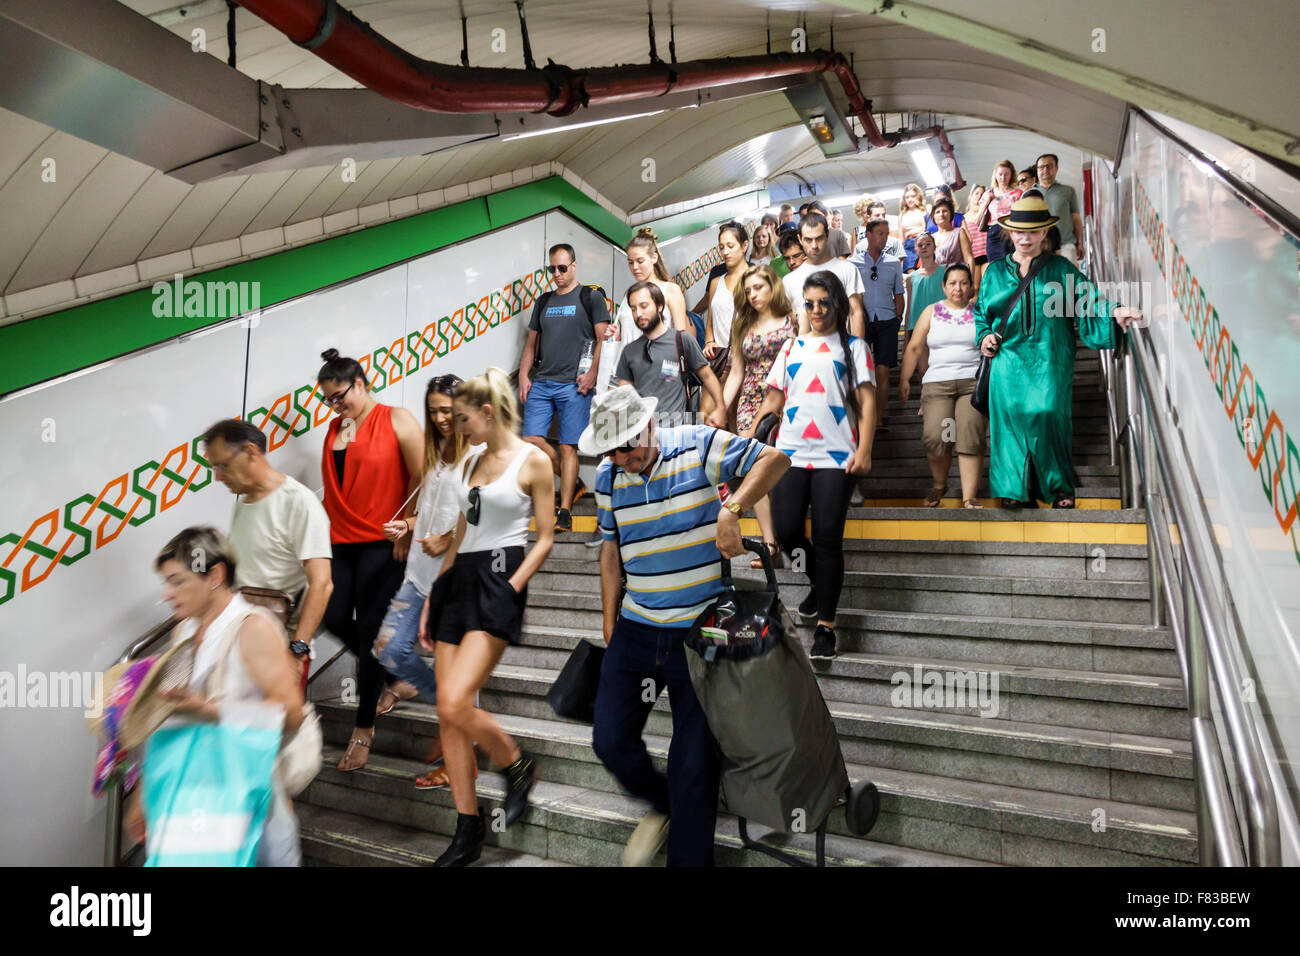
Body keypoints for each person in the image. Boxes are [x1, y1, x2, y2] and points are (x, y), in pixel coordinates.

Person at [586, 385, 790, 866]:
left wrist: (731, 508)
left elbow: (775, 460)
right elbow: (611, 551)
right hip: (637, 627)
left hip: (701, 633)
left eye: (627, 445)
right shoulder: (608, 477)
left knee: (694, 765)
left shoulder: (698, 443)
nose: (620, 457)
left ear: (649, 427)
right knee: (609, 740)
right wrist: (608, 619)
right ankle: (665, 805)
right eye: (610, 449)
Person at [420, 369, 555, 866]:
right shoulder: (469, 460)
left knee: (457, 701)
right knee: (446, 711)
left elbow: (544, 536)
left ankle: (516, 764)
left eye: (462, 419)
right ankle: (467, 828)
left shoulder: (534, 461)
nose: (455, 428)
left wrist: (514, 585)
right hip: (459, 580)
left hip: (501, 576)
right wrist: (437, 591)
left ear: (487, 412)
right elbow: (461, 530)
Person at [125, 527, 307, 866]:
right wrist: (143, 793)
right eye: (166, 583)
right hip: (194, 799)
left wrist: (211, 710)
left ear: (215, 575)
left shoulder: (253, 627)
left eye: (177, 581)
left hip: (250, 800)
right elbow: (169, 711)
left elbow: (292, 714)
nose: (167, 594)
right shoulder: (185, 629)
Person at [975, 196, 1143, 509]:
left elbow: (1088, 301)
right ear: (1010, 233)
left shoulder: (1060, 269)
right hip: (1007, 360)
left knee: (1049, 414)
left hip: (1049, 357)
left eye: (1033, 232)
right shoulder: (994, 272)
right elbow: (982, 313)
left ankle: (1058, 488)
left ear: (1045, 233)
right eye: (1020, 232)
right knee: (1009, 422)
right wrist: (984, 336)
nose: (1025, 238)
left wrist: (1115, 311)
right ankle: (1014, 491)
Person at [752, 271, 877, 660]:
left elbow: (868, 402)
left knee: (826, 538)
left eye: (824, 302)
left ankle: (826, 627)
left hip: (836, 455)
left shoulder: (854, 348)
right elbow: (774, 399)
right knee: (787, 531)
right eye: (810, 304)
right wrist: (752, 439)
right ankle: (819, 584)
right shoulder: (791, 348)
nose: (817, 310)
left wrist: (866, 449)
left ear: (836, 303)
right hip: (790, 452)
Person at [316, 348, 425, 771]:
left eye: (340, 395)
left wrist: (409, 525)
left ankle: (363, 730)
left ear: (360, 383)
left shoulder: (395, 418)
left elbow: (423, 475)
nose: (335, 404)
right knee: (333, 614)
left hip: (384, 540)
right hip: (342, 541)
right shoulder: (334, 430)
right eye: (328, 399)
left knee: (372, 634)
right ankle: (396, 674)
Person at [369, 374, 476, 790]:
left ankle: (459, 757)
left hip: (456, 577)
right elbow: (430, 508)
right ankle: (456, 715)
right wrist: (409, 526)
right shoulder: (436, 450)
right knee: (389, 649)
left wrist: (448, 538)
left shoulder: (479, 454)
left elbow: (482, 519)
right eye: (433, 411)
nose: (440, 418)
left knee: (460, 679)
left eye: (446, 410)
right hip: (417, 573)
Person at [203, 419, 332, 681]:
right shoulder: (243, 503)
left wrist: (297, 651)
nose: (217, 476)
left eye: (222, 465)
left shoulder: (299, 502)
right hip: (241, 642)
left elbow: (322, 583)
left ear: (250, 451)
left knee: (280, 722)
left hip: (282, 649)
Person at [518, 243, 611, 533]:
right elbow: (531, 343)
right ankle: (577, 483)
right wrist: (523, 375)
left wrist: (593, 373)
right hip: (543, 381)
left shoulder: (591, 298)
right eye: (552, 269)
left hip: (575, 384)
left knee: (569, 446)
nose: (556, 274)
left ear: (574, 266)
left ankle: (565, 510)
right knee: (531, 440)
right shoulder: (544, 301)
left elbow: (603, 340)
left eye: (561, 268)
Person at [899, 263, 988, 509]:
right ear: (943, 286)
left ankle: (969, 497)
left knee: (970, 436)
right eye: (952, 283)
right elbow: (915, 346)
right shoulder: (932, 311)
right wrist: (904, 379)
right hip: (937, 384)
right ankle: (940, 485)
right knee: (937, 437)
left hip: (973, 383)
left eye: (963, 283)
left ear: (971, 286)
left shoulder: (980, 311)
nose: (958, 288)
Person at [725, 264, 797, 569]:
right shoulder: (742, 324)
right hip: (750, 402)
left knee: (784, 472)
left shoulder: (792, 319)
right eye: (749, 289)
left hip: (789, 400)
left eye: (759, 287)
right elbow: (736, 373)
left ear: (773, 287)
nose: (753, 294)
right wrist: (719, 408)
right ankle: (770, 544)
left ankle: (791, 538)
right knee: (754, 472)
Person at [616, 280, 726, 429]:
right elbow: (624, 395)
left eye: (644, 306)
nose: (638, 314)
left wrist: (720, 408)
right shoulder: (629, 352)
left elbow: (708, 376)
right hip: (642, 437)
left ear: (660, 307)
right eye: (633, 309)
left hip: (676, 435)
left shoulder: (682, 340)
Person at [849, 219, 906, 431]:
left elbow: (899, 294)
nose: (884, 237)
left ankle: (879, 418)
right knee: (861, 370)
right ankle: (861, 416)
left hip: (887, 320)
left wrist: (898, 318)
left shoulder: (893, 263)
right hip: (861, 322)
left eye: (886, 233)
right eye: (880, 233)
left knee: (883, 371)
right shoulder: (853, 263)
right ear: (869, 235)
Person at [782, 212, 865, 336]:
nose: (814, 246)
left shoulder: (847, 269)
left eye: (819, 238)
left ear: (827, 235)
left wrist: (859, 351)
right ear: (800, 239)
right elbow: (789, 324)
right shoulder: (789, 280)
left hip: (842, 349)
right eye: (808, 240)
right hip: (806, 351)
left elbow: (856, 313)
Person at [701, 221, 750, 394]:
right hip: (718, 359)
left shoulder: (756, 278)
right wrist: (709, 341)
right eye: (722, 247)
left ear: (744, 245)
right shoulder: (716, 282)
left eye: (730, 246)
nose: (725, 252)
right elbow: (710, 320)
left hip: (745, 361)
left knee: (734, 418)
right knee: (706, 415)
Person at [1035, 154, 1084, 264]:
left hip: (1066, 244)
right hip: (1038, 246)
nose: (1045, 169)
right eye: (1041, 167)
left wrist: (1080, 243)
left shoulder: (1068, 191)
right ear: (1037, 170)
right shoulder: (1028, 194)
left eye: (1049, 166)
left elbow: (1076, 219)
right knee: (1043, 280)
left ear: (1056, 168)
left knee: (1068, 279)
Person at [976, 160, 1023, 268]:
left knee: (1014, 266)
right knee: (996, 267)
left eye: (1006, 174)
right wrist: (987, 201)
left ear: (1011, 175)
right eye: (1000, 174)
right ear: (995, 175)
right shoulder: (988, 193)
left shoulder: (1018, 193)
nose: (1003, 178)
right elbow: (977, 221)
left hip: (1013, 231)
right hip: (994, 232)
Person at [903, 232, 943, 355]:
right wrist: (906, 338)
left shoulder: (946, 271)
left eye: (928, 244)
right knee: (922, 370)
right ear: (916, 249)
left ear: (935, 247)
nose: (924, 247)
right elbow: (909, 306)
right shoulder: (911, 278)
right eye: (920, 245)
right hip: (918, 327)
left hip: (941, 324)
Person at [930, 197, 974, 269]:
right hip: (937, 278)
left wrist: (970, 279)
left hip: (957, 277)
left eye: (944, 211)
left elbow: (969, 259)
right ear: (933, 217)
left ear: (951, 214)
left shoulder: (959, 232)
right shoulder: (931, 238)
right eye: (937, 212)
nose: (941, 214)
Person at [897, 182, 929, 271]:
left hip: (923, 242)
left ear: (917, 196)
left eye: (912, 196)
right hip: (908, 245)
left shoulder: (924, 212)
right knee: (911, 274)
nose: (910, 199)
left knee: (924, 271)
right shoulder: (902, 216)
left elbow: (926, 229)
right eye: (907, 197)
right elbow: (901, 239)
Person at [963, 185, 989, 288]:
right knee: (975, 288)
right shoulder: (963, 218)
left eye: (982, 194)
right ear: (970, 196)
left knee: (986, 285)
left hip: (986, 254)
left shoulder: (987, 214)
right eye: (977, 193)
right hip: (973, 256)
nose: (979, 196)